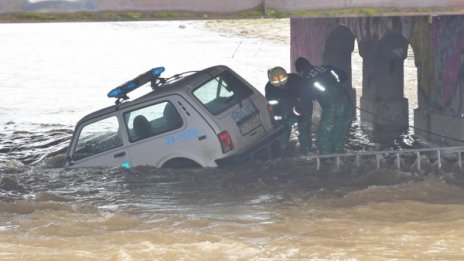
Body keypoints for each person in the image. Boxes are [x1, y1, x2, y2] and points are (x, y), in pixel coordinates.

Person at [295, 57, 355, 155]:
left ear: (301, 71)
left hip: (333, 108)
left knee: (323, 136)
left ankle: (327, 161)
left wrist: (298, 112)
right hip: (348, 103)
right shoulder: (326, 68)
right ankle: (338, 159)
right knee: (340, 134)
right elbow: (344, 76)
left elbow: (306, 102)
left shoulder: (306, 81)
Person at [265, 66, 313, 155]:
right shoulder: (269, 88)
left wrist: (299, 112)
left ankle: (306, 150)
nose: (281, 86)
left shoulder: (296, 80)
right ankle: (282, 150)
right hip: (283, 108)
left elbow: (306, 97)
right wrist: (280, 118)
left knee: (304, 128)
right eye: (277, 85)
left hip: (302, 104)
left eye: (283, 83)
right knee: (282, 128)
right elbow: (273, 106)